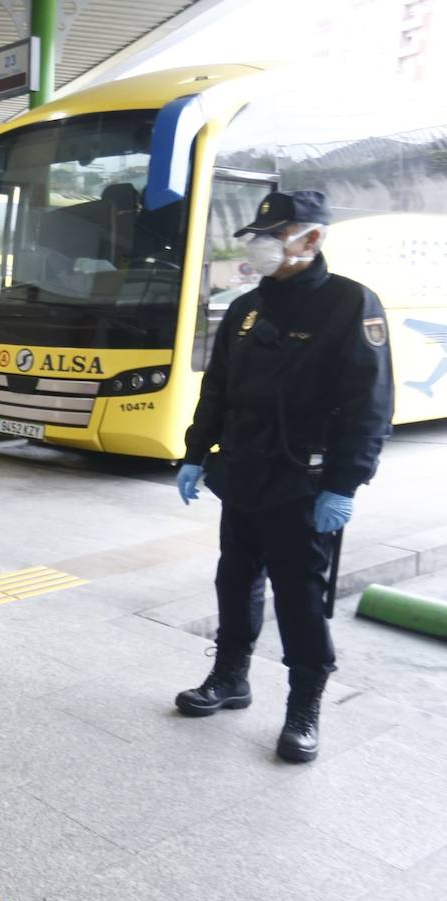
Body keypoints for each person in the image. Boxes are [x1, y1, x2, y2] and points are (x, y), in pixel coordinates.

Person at [174, 190, 393, 763]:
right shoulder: (248, 308)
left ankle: (304, 706)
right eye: (258, 235)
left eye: (275, 234)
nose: (261, 245)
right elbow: (217, 386)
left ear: (312, 238)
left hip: (304, 482)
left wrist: (345, 484)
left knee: (299, 595)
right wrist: (196, 453)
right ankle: (230, 677)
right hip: (243, 471)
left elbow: (370, 406)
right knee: (235, 578)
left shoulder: (351, 304)